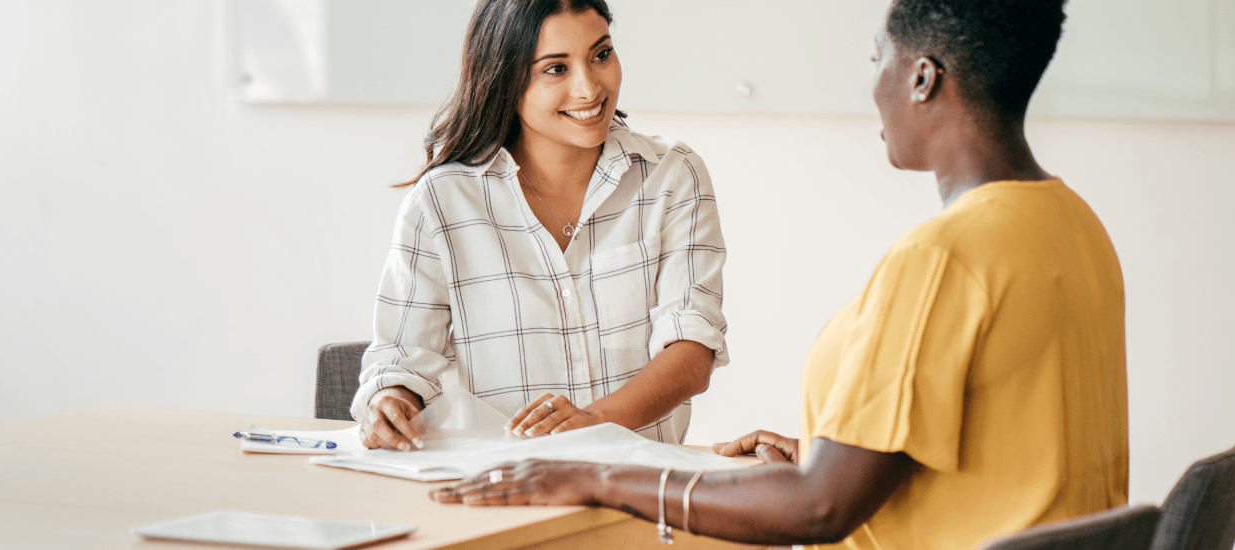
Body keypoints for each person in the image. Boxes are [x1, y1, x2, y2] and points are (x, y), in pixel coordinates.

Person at [430, 0, 1130, 548]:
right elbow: (1007, 445)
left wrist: (600, 474)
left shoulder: (943, 259)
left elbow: (822, 509)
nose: (873, 82)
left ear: (922, 78)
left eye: (877, 57)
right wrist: (823, 454)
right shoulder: (1073, 225)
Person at [352, 0, 729, 452]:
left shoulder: (671, 174)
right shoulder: (441, 202)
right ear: (504, 79)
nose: (589, 88)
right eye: (555, 69)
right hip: (499, 487)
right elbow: (401, 359)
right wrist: (391, 400)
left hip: (639, 489)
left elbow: (691, 351)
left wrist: (593, 421)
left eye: (601, 55)